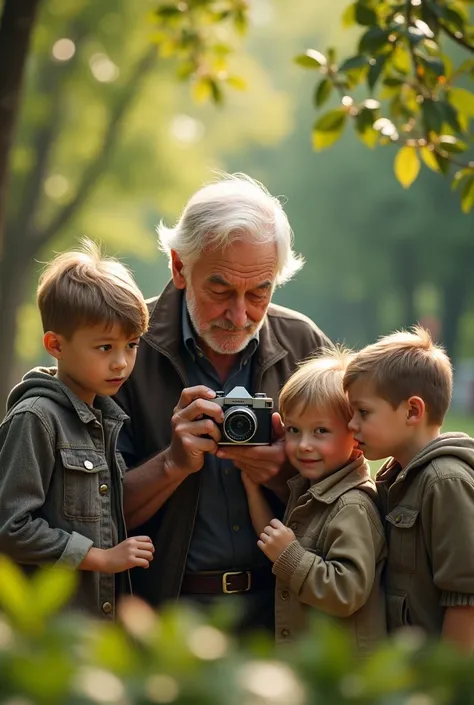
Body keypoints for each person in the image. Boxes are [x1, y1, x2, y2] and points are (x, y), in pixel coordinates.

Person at [115, 173, 331, 631]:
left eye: (260, 292)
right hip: (162, 617)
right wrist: (172, 463)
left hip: (283, 613)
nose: (240, 315)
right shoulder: (123, 348)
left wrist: (285, 475)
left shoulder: (304, 344)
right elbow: (86, 516)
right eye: (220, 290)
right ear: (178, 267)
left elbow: (357, 493)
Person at [0, 240, 155, 620]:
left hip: (99, 633)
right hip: (48, 634)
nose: (121, 362)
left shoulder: (105, 418)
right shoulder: (36, 418)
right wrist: (100, 558)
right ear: (55, 344)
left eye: (131, 345)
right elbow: (10, 526)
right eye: (104, 347)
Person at [241, 351, 387, 652]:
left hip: (341, 674)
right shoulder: (312, 488)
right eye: (294, 430)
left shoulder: (352, 505)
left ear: (355, 435)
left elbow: (346, 591)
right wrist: (253, 489)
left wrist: (290, 555)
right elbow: (273, 537)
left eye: (321, 431)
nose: (304, 445)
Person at [344, 326, 474, 653]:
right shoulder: (397, 476)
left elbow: (466, 601)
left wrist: (446, 688)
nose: (351, 425)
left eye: (363, 412)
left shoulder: (445, 482)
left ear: (413, 411)